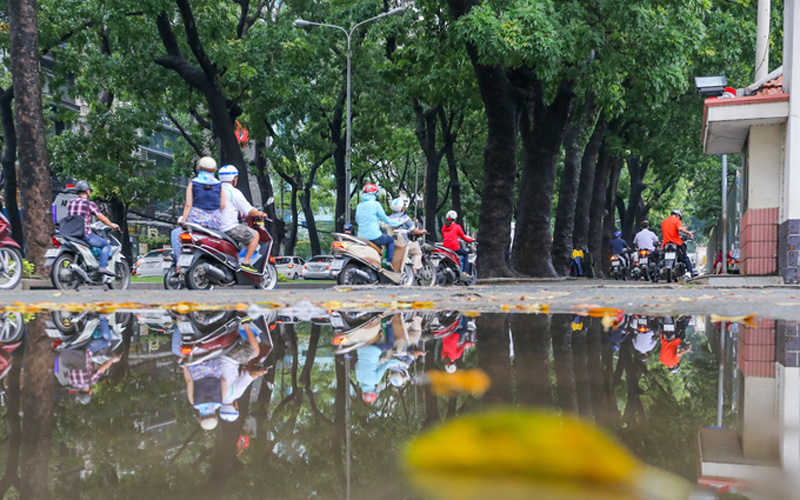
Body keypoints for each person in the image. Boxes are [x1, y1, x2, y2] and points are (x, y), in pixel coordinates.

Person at [171, 157, 227, 258]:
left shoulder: (193, 183)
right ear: (214, 170)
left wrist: (183, 221)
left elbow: (188, 205)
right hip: (213, 221)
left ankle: (179, 261)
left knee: (177, 234)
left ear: (199, 168)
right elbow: (223, 205)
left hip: (195, 220)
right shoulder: (220, 185)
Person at [218, 165, 268, 273]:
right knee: (255, 235)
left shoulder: (215, 190)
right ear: (233, 179)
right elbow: (250, 211)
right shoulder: (233, 192)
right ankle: (245, 262)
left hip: (214, 227)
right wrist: (261, 214)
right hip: (229, 228)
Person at [65, 181, 120, 276]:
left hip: (70, 234)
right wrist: (112, 225)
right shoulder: (89, 204)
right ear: (87, 191)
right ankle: (102, 267)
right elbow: (102, 218)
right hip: (84, 234)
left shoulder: (70, 203)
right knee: (105, 245)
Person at [355, 184, 402, 268]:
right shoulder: (376, 204)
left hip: (361, 237)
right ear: (374, 194)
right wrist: (399, 223)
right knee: (390, 240)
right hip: (374, 236)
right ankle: (389, 262)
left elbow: (357, 220)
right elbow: (386, 219)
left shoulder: (359, 206)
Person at [388, 198, 426, 275]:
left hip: (392, 244)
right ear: (402, 208)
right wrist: (422, 231)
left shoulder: (389, 218)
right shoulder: (404, 217)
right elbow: (414, 230)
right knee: (417, 252)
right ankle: (414, 270)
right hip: (404, 243)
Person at [661, 209, 695, 276]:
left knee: (661, 258)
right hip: (676, 242)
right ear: (678, 215)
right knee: (685, 258)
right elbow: (680, 229)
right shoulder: (677, 221)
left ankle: (656, 274)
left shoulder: (664, 222)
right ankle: (691, 272)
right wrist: (689, 233)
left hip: (666, 243)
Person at [441, 210, 474, 274]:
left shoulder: (443, 227)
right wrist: (472, 240)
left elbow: (443, 237)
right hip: (454, 248)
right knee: (465, 254)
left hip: (445, 248)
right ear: (455, 219)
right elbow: (464, 238)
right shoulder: (457, 227)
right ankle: (465, 272)